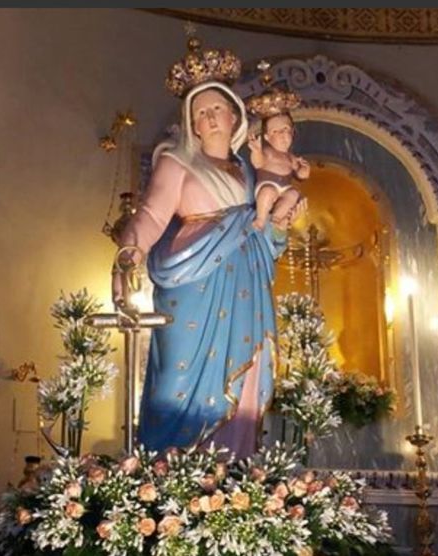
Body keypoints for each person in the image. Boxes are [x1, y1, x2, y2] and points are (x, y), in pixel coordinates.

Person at [112, 41, 303, 459]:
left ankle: (231, 473)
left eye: (217, 108)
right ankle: (172, 472)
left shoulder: (250, 173)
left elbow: (265, 236)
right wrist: (128, 256)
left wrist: (279, 227)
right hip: (191, 284)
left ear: (234, 114)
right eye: (200, 112)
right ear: (192, 124)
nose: (209, 116)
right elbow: (152, 216)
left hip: (246, 286)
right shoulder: (176, 162)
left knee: (245, 381)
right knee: (177, 382)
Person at [248, 112, 310, 230]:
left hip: (285, 187)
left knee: (293, 194)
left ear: (292, 132)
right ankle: (261, 219)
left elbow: (301, 175)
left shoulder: (292, 157)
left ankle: (276, 219)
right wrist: (256, 151)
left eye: (285, 129)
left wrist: (304, 169)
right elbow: (258, 163)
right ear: (267, 137)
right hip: (267, 183)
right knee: (268, 192)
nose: (282, 134)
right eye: (275, 131)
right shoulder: (267, 152)